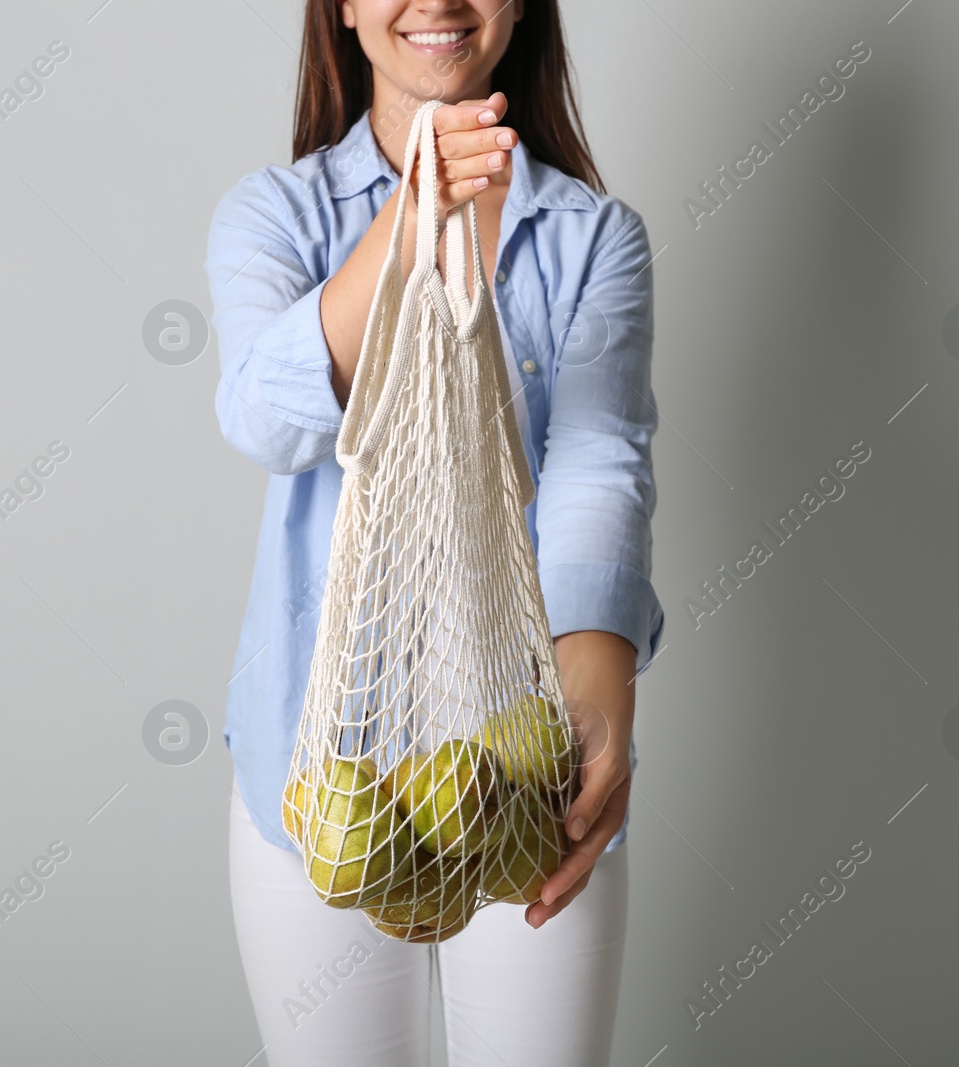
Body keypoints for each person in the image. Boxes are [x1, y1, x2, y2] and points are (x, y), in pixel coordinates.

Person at [204, 2, 664, 1063]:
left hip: (525, 778)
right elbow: (267, 418)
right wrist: (409, 222)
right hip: (315, 776)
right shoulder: (274, 215)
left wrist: (600, 693)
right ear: (348, 10)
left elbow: (600, 463)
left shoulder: (593, 238)